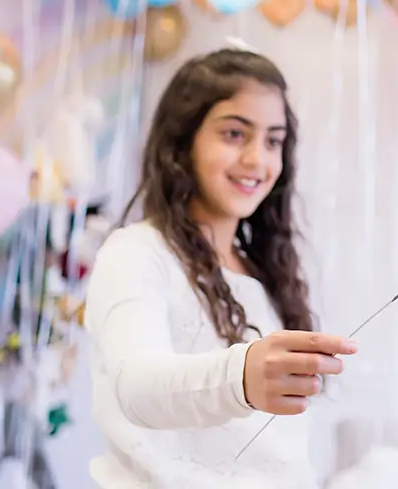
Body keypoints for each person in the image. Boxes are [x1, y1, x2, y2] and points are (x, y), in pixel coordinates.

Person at [84, 48, 357, 488]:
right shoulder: (136, 253)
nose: (256, 160)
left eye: (273, 140)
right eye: (234, 134)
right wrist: (242, 376)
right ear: (181, 143)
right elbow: (135, 387)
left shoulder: (265, 275)